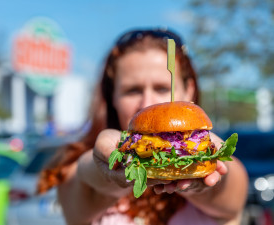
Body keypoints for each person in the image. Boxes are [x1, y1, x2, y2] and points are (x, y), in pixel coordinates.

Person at [37, 28, 248, 225]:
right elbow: (86, 179)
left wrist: (200, 169)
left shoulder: (224, 165)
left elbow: (226, 189)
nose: (147, 102)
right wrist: (107, 163)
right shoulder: (72, 176)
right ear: (113, 98)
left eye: (162, 88)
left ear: (189, 90)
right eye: (132, 90)